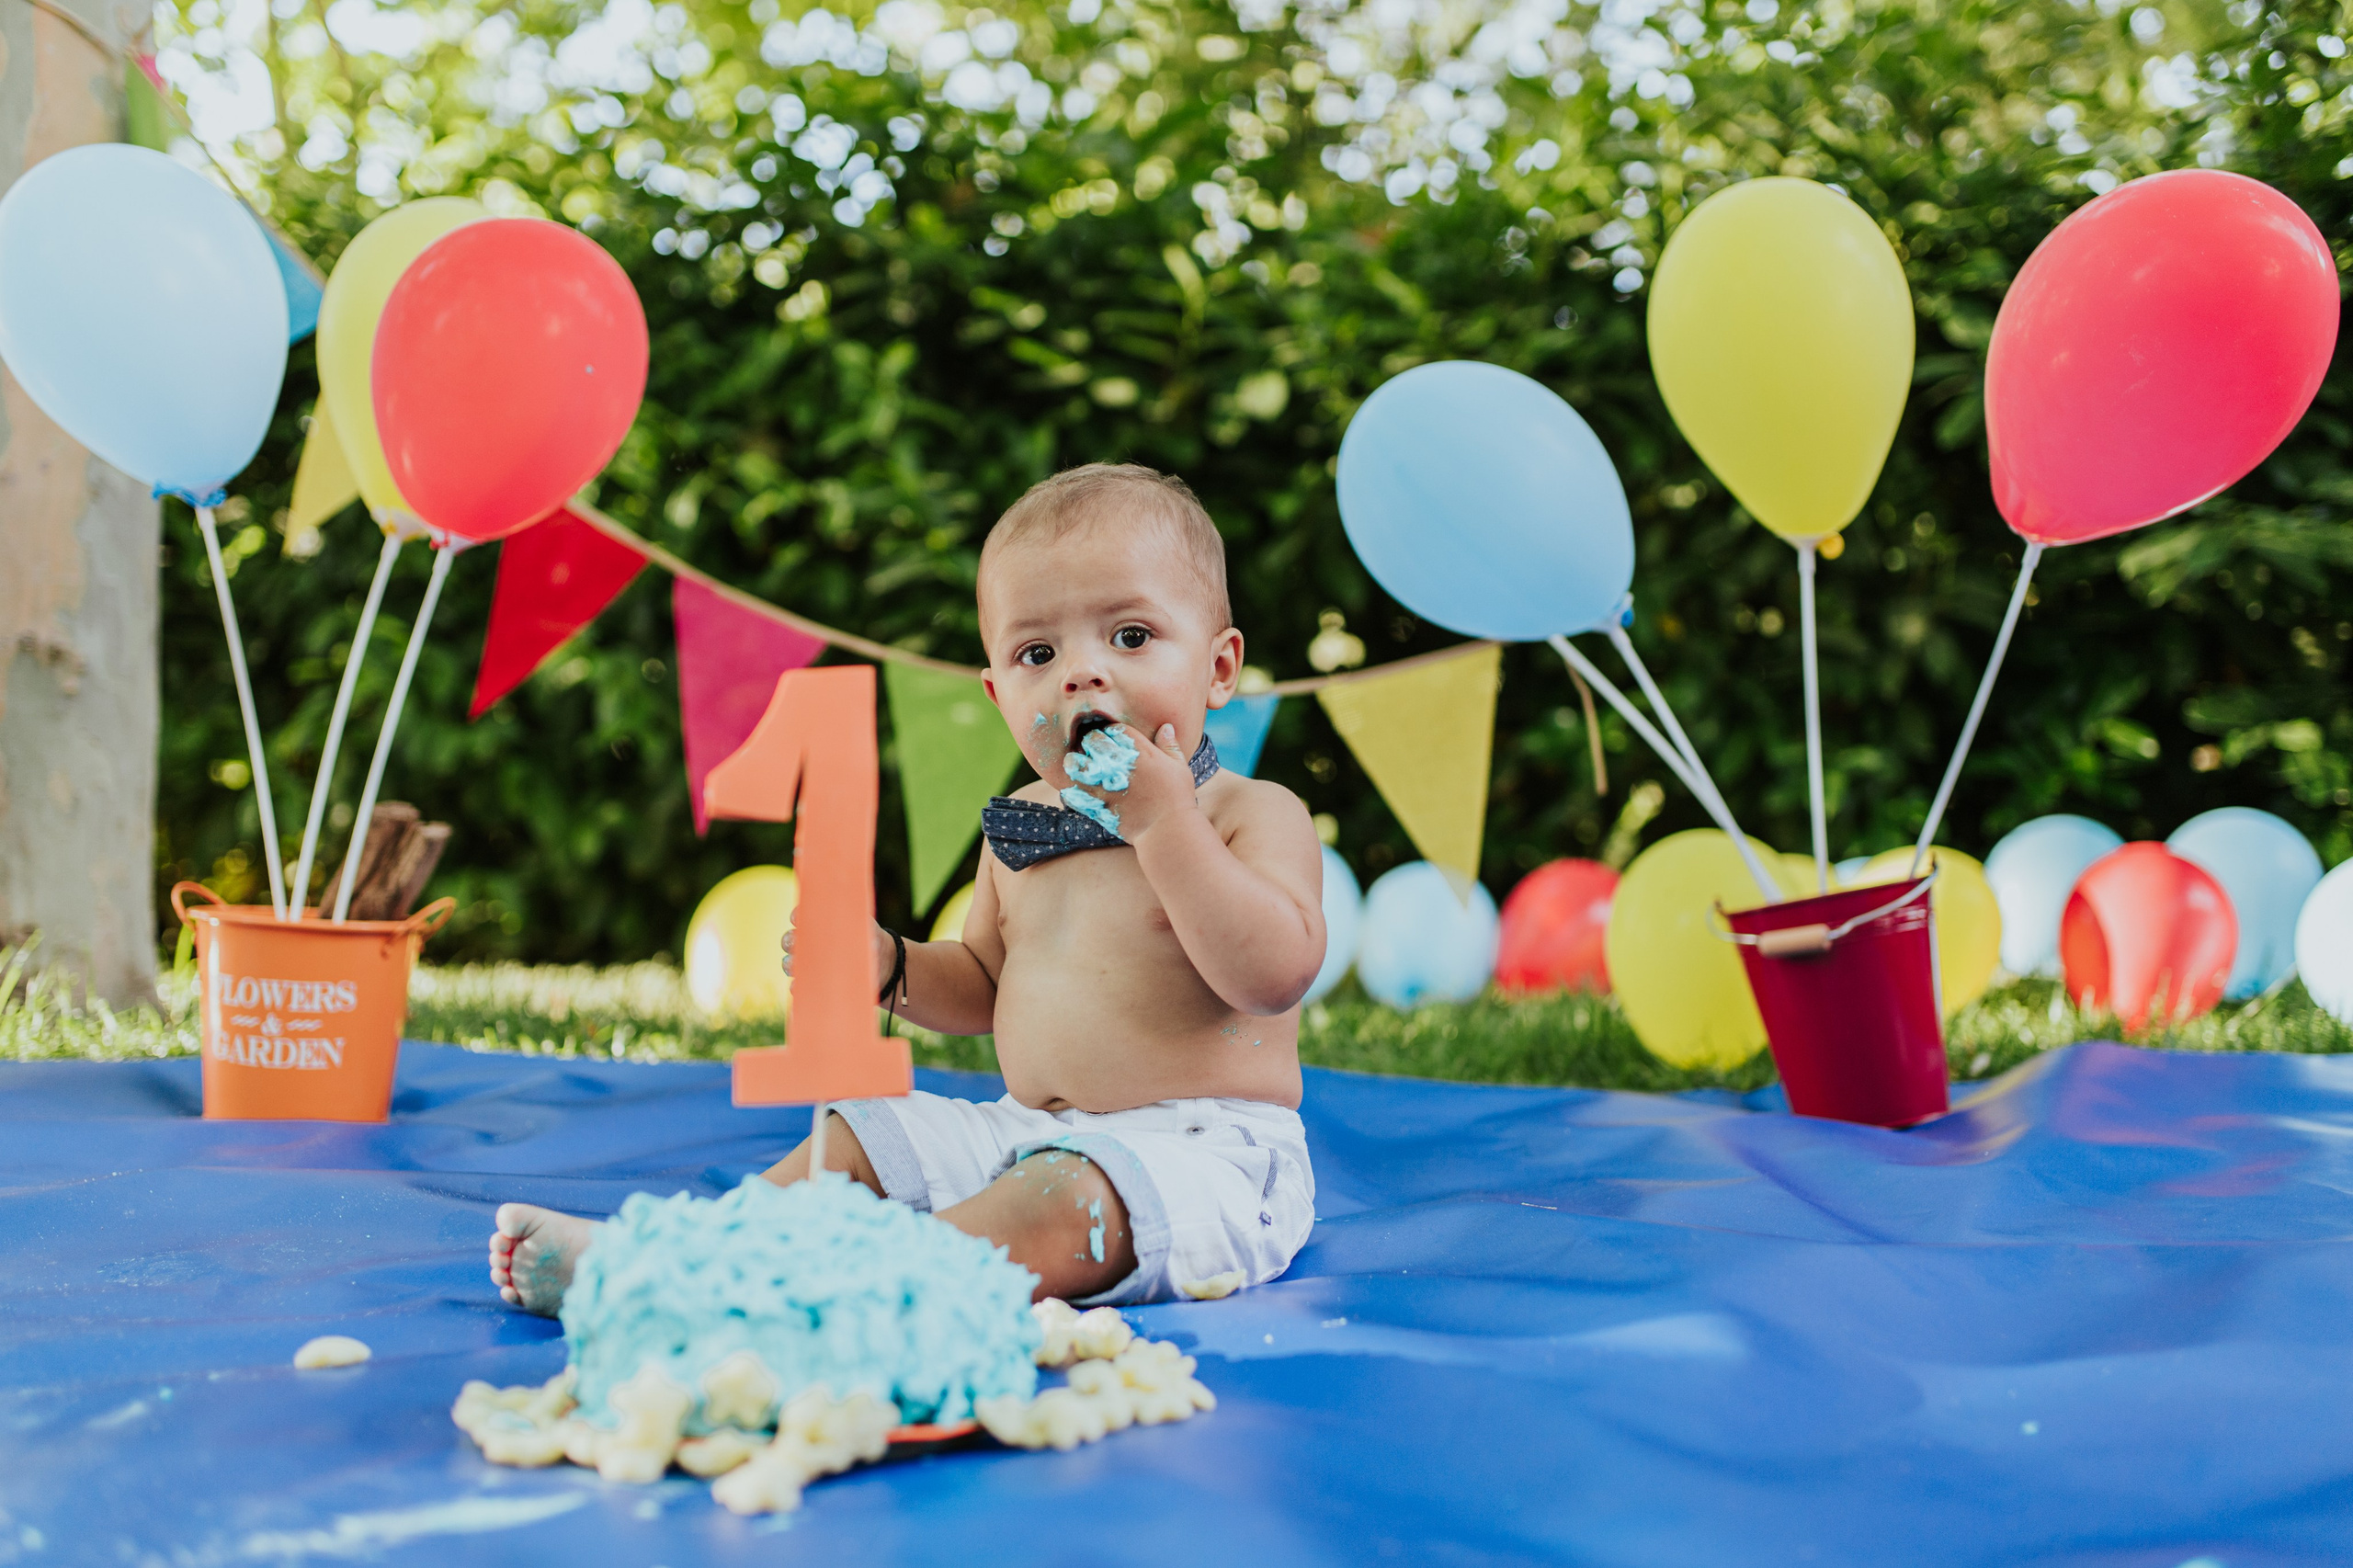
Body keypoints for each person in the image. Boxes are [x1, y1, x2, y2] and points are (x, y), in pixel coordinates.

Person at [490, 463, 1327, 1311]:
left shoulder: (1243, 816)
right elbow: (985, 985)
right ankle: (683, 1255)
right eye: (1038, 653)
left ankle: (857, 1282)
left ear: (1219, 670)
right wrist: (889, 966)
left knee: (1065, 1200)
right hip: (1027, 1130)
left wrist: (1163, 827)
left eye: (1131, 637)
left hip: (1200, 1152)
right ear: (1001, 694)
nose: (1081, 673)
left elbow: (1272, 976)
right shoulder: (1022, 832)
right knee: (863, 1132)